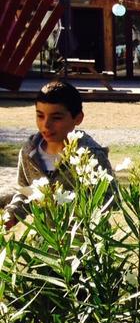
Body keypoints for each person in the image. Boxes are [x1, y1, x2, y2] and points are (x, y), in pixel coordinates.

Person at [4, 80, 114, 227]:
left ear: (78, 118)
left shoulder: (91, 154)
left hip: (85, 245)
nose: (46, 125)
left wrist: (62, 202)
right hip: (46, 244)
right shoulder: (29, 153)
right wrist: (12, 215)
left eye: (56, 118)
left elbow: (111, 200)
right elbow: (24, 193)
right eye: (40, 116)